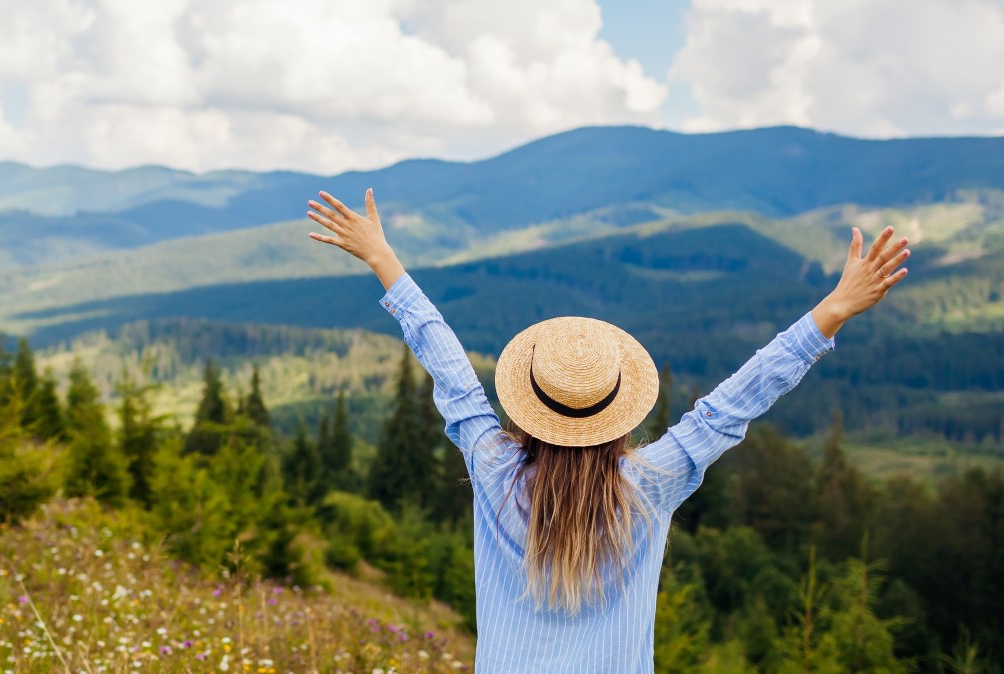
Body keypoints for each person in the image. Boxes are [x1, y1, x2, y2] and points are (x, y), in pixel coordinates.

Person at [307, 188, 911, 672]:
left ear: (529, 403)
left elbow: (449, 369)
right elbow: (731, 406)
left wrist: (384, 260)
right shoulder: (649, 485)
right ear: (619, 408)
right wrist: (831, 311)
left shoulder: (492, 468)